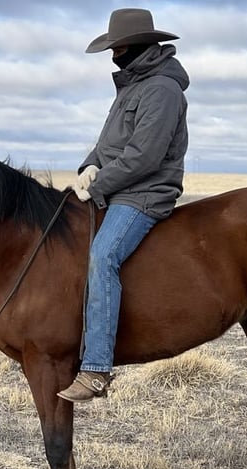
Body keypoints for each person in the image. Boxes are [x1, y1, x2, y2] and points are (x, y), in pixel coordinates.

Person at [58, 8, 190, 403]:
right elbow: (107, 144)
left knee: (103, 254)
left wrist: (99, 186)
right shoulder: (131, 87)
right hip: (117, 189)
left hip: (144, 194)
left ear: (138, 47)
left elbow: (145, 156)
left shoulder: (162, 90)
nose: (114, 56)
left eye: (119, 48)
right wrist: (90, 166)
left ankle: (97, 367)